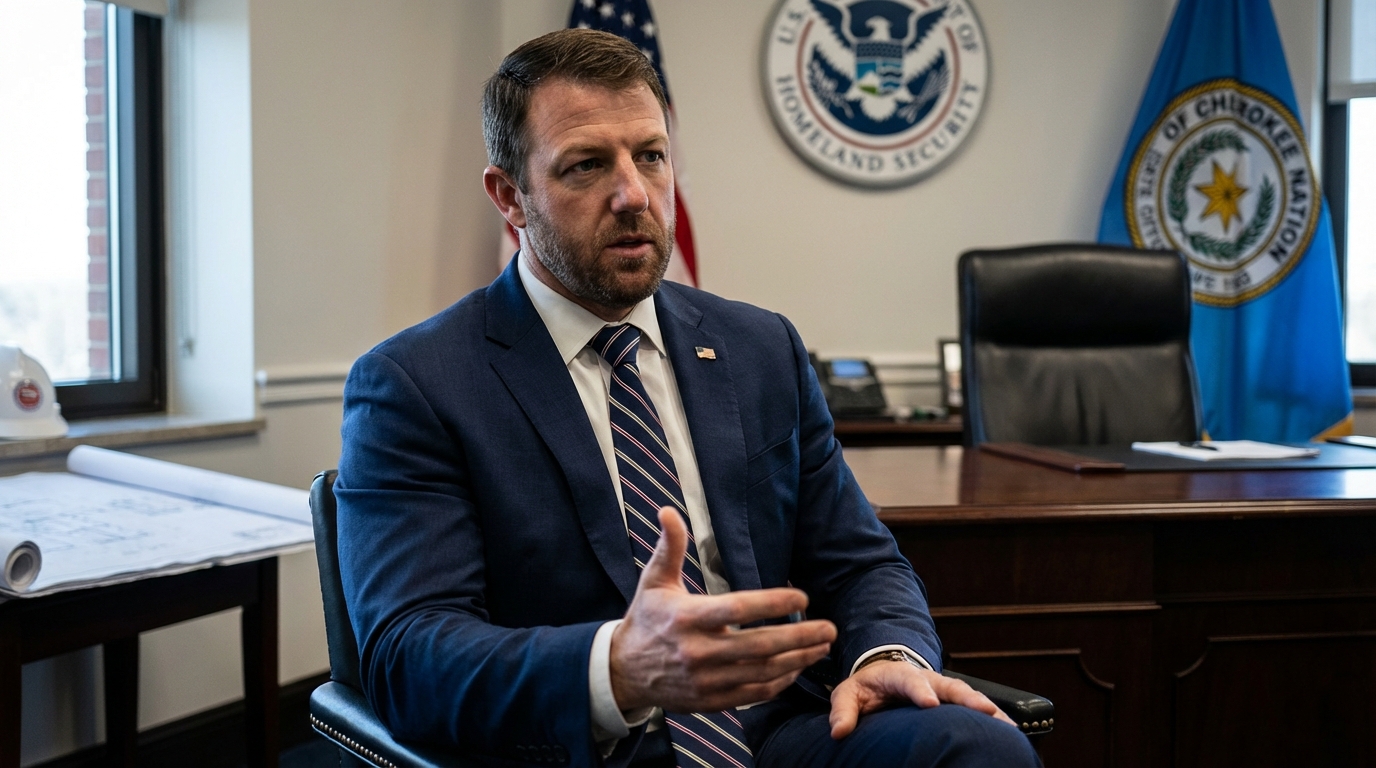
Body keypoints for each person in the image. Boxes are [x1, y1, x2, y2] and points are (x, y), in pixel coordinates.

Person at [336, 28, 1040, 768]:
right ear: (510, 196)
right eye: (585, 165)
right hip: (589, 747)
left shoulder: (760, 347)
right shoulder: (417, 384)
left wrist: (883, 656)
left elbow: (860, 562)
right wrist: (619, 668)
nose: (634, 193)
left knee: (977, 747)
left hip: (783, 734)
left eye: (650, 155)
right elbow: (409, 653)